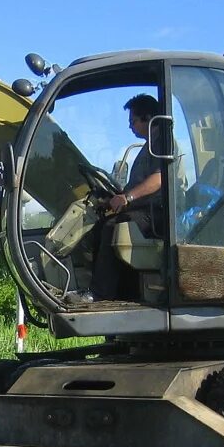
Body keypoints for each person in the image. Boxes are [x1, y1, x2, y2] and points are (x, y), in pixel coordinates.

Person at [89, 93, 166, 301]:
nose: (130, 127)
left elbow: (159, 179)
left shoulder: (163, 144)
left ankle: (101, 293)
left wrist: (127, 198)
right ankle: (120, 290)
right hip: (143, 210)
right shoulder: (148, 146)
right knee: (100, 225)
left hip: (157, 214)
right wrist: (114, 198)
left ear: (148, 118)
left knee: (112, 226)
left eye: (133, 121)